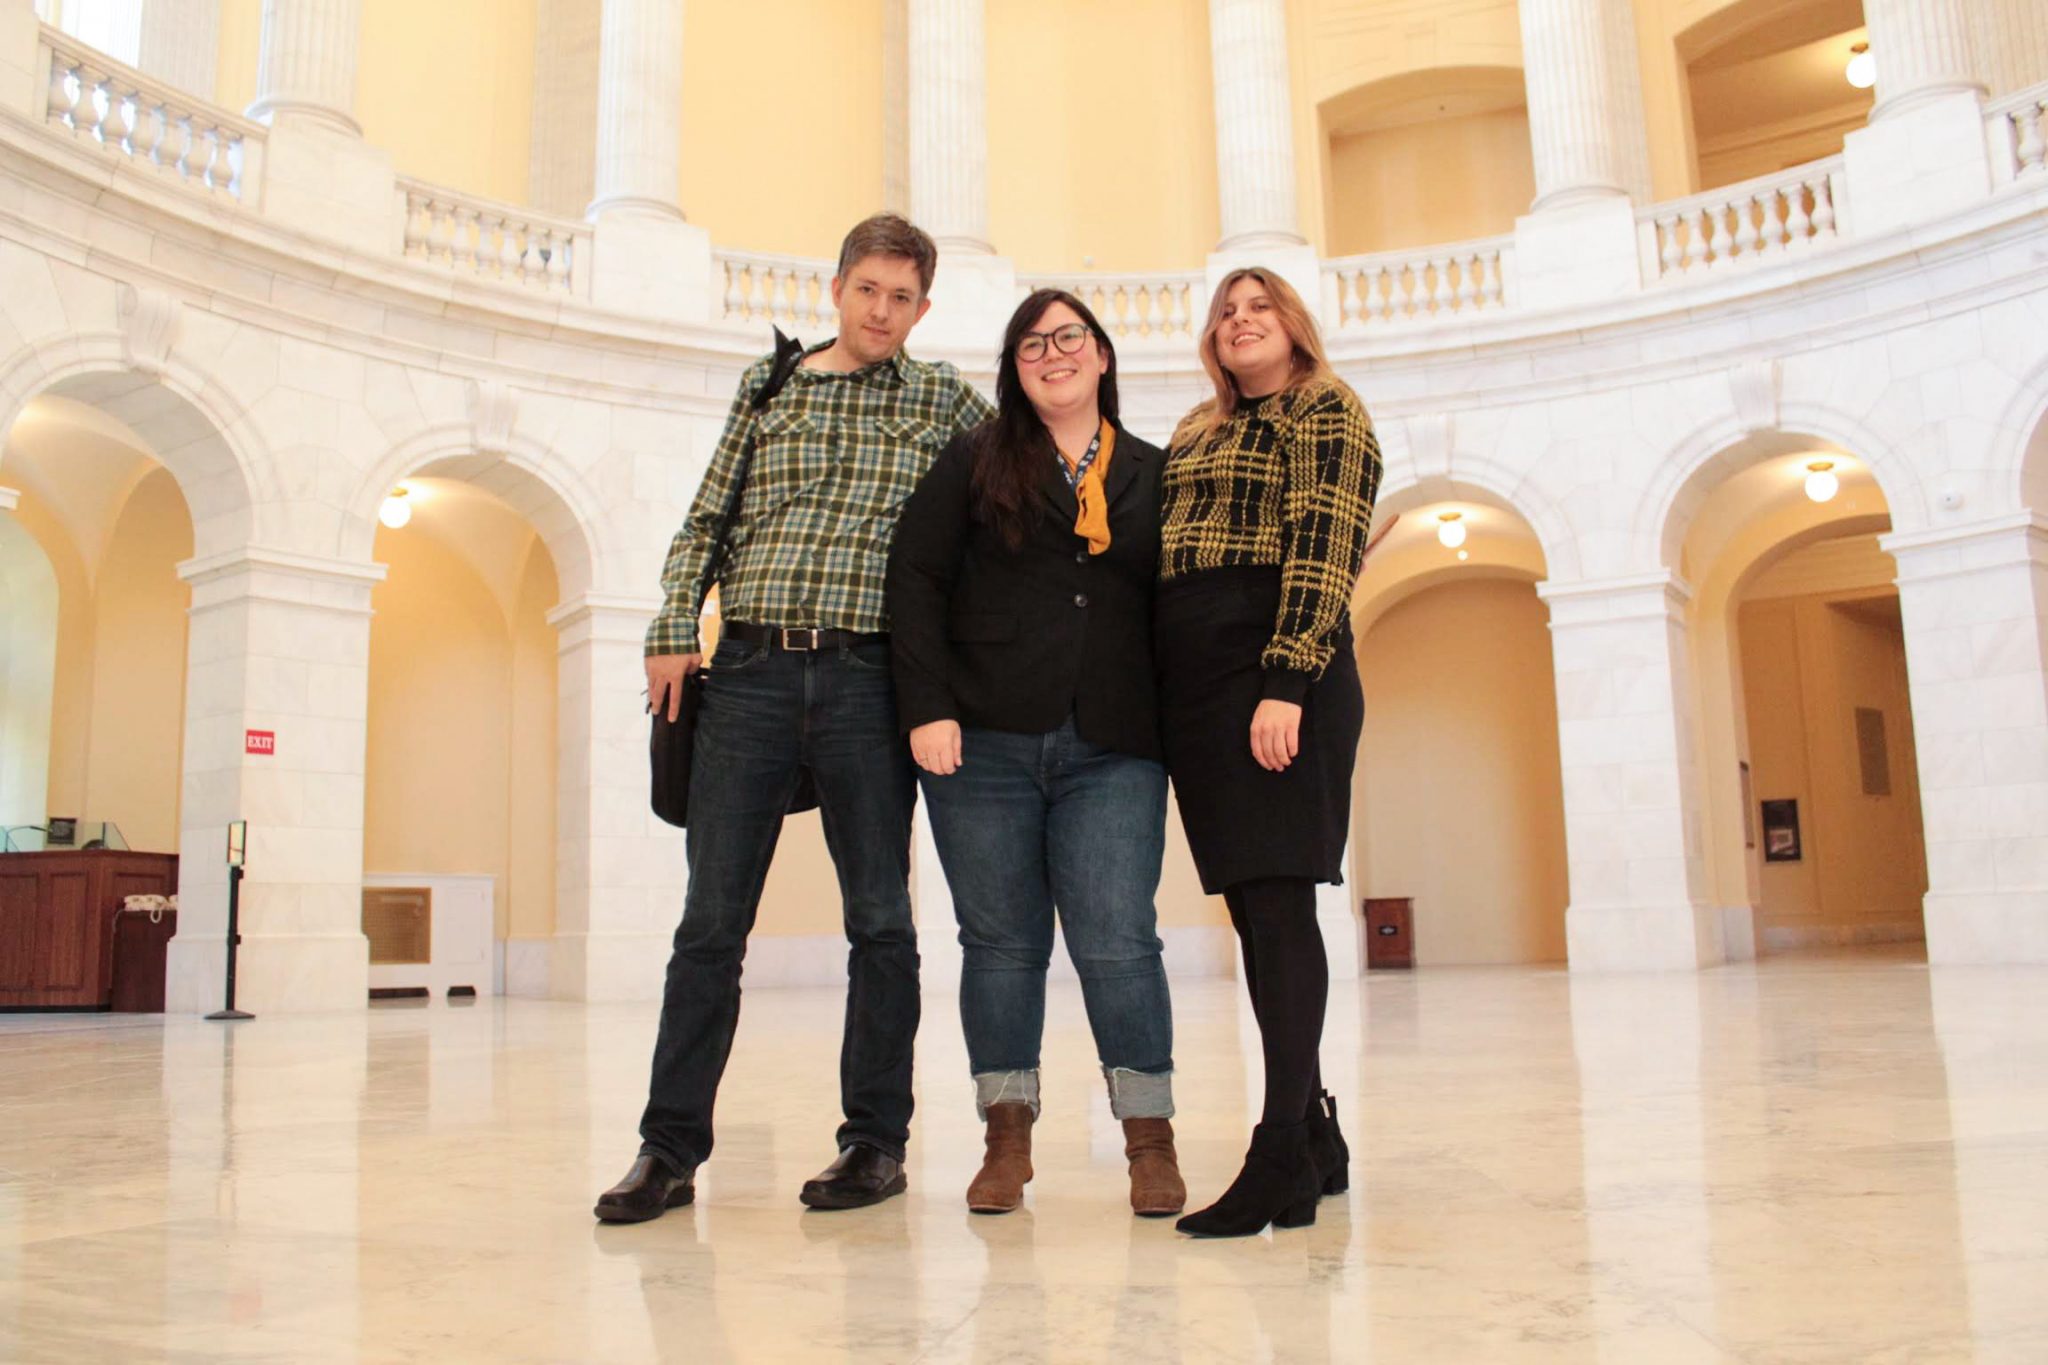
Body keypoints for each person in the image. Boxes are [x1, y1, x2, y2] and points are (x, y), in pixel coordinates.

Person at [595, 213, 994, 1224]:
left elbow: (1020, 477)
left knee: (881, 921)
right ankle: (666, 1149)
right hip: (750, 675)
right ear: (836, 287)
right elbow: (707, 519)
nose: (881, 312)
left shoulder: (943, 399)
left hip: (869, 681)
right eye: (868, 289)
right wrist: (671, 624)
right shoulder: (767, 386)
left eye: (901, 298)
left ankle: (874, 1143)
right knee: (709, 925)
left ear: (923, 309)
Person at [886, 290, 1183, 1218]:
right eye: (1031, 345)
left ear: (1101, 355)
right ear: (1014, 369)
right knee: (1001, 946)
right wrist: (927, 708)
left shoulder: (1154, 470)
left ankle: (1150, 1140)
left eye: (1068, 338)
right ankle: (1005, 1140)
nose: (1053, 354)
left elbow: (1186, 597)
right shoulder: (975, 459)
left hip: (1116, 743)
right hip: (983, 741)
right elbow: (916, 577)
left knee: (1119, 941)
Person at [1156, 267, 1382, 1238]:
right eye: (1226, 311)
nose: (1240, 321)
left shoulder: (1324, 408)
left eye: (1259, 307)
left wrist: (1285, 679)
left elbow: (1323, 544)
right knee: (1254, 911)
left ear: (1293, 326)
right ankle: (1315, 1129)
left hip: (1275, 670)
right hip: (1202, 686)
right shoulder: (1194, 429)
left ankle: (1278, 1146)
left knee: (1281, 903)